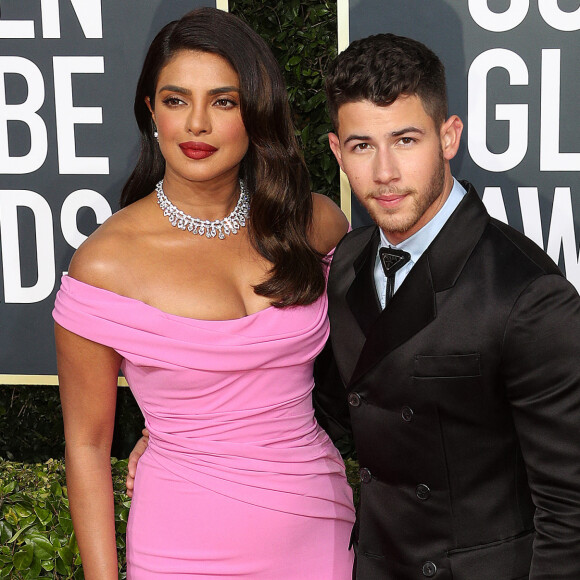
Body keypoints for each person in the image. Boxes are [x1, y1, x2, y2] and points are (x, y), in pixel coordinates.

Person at [53, 8, 354, 579]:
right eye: (175, 100)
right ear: (151, 111)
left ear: (256, 112)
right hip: (181, 548)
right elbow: (87, 447)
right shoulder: (106, 263)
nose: (196, 124)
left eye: (223, 101)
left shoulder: (313, 225)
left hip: (320, 529)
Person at [317, 32, 580, 579]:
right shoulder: (346, 262)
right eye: (363, 146)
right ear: (338, 152)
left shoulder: (528, 295)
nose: (385, 172)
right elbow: (326, 408)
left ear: (449, 137)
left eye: (406, 140)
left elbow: (570, 511)